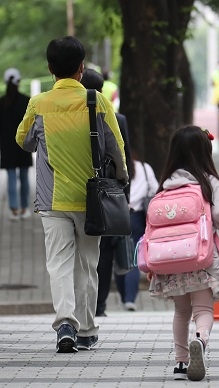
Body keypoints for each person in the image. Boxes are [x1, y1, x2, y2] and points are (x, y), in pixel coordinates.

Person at [16, 36, 128, 353]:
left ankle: (65, 322)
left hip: (51, 200)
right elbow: (115, 148)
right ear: (81, 67)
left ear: (50, 68)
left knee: (59, 264)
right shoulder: (97, 101)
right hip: (91, 200)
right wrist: (122, 178)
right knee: (87, 264)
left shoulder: (39, 104)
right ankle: (88, 329)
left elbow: (22, 141)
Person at [149, 125, 219, 381]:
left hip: (169, 260)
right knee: (203, 309)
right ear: (205, 150)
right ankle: (201, 340)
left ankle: (181, 363)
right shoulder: (208, 181)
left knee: (181, 312)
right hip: (199, 257)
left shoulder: (166, 184)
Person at [79, 68, 135, 317]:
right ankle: (99, 305)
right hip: (111, 191)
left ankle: (93, 305)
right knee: (107, 251)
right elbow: (125, 158)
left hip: (81, 189)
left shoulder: (72, 114)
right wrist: (126, 196)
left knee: (90, 250)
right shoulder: (118, 118)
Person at [0, 68, 32, 221]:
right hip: (23, 144)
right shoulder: (26, 101)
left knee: (11, 178)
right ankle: (25, 208)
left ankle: (14, 210)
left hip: (7, 146)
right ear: (18, 82)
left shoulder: (1, 103)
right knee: (24, 178)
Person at [119, 152, 158, 312]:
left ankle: (123, 297)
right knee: (133, 258)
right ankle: (129, 298)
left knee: (119, 256)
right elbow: (155, 189)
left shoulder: (114, 166)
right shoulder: (144, 167)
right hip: (137, 217)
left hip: (117, 216)